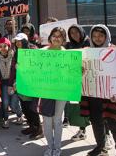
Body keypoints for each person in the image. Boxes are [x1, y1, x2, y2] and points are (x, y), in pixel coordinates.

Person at [81, 24, 116, 156]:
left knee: (114, 124)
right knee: (96, 122)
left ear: (106, 36)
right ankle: (100, 147)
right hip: (93, 95)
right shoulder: (86, 52)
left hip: (111, 96)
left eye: (100, 35)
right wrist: (80, 70)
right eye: (94, 36)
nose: (97, 38)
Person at [9, 33, 43, 139]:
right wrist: (13, 81)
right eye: (16, 41)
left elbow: (38, 65)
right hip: (21, 84)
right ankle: (31, 126)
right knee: (24, 107)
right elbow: (13, 70)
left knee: (32, 107)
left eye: (20, 41)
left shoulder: (33, 49)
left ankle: (39, 129)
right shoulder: (16, 52)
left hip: (32, 84)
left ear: (25, 41)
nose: (18, 43)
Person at [41, 27, 68, 156]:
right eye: (54, 35)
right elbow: (31, 69)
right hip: (45, 90)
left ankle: (57, 148)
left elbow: (71, 72)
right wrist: (21, 66)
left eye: (59, 36)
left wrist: (79, 71)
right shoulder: (41, 52)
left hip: (61, 91)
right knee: (47, 120)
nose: (56, 38)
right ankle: (49, 146)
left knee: (57, 120)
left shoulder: (67, 54)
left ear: (63, 39)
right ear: (50, 37)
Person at [65, 24, 90, 141]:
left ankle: (105, 135)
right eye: (71, 33)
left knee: (94, 109)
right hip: (75, 82)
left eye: (76, 32)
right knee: (78, 107)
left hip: (90, 82)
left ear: (81, 32)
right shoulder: (69, 45)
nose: (74, 35)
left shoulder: (89, 43)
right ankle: (82, 130)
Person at [0, 37, 23, 128]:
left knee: (14, 103)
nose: (3, 48)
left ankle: (19, 114)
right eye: (0, 46)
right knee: (5, 102)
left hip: (14, 83)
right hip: (4, 84)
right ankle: (5, 119)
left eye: (5, 46)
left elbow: (18, 71)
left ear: (9, 46)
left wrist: (15, 82)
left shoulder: (14, 56)